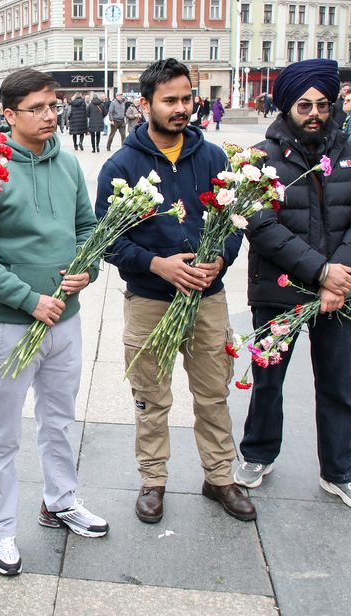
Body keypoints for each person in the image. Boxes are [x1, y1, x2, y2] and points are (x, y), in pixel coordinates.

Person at [96, 58, 255, 525]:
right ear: (144, 104)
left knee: (213, 393)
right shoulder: (121, 165)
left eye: (187, 98)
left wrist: (222, 257)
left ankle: (220, 476)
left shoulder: (213, 157)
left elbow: (234, 219)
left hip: (207, 300)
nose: (181, 108)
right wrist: (155, 264)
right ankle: (153, 479)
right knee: (151, 396)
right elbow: (106, 240)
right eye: (170, 100)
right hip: (149, 301)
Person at [0, 68, 109, 577]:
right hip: (11, 326)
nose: (50, 115)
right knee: (2, 432)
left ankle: (61, 501)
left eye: (53, 106)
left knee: (59, 420)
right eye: (37, 108)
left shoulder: (69, 164)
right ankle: (1, 530)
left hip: (66, 322)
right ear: (9, 115)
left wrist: (86, 269)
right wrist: (30, 301)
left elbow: (87, 228)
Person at [233, 59, 351, 513]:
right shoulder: (260, 158)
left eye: (322, 104)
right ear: (287, 107)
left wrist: (339, 277)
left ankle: (340, 471)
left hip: (340, 294)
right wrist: (321, 273)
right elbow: (262, 227)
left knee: (338, 383)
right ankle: (258, 453)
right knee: (268, 380)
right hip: (278, 290)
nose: (314, 112)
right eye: (304, 105)